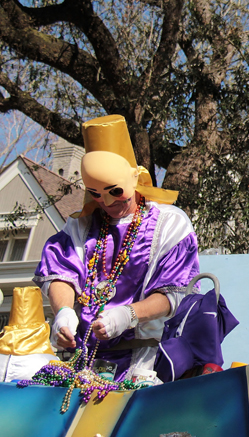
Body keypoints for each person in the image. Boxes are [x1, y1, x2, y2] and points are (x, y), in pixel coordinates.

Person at [34, 115, 199, 379]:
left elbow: (176, 291)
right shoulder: (80, 225)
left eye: (115, 191)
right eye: (96, 194)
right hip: (85, 361)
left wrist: (128, 315)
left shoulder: (170, 223)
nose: (107, 202)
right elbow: (61, 273)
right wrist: (64, 312)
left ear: (134, 178)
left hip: (145, 360)